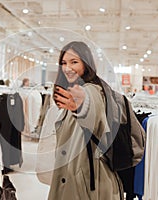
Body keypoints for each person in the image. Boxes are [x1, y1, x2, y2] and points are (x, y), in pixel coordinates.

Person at [48, 41, 123, 200]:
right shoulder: (73, 92)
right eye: (64, 63)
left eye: (74, 62)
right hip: (76, 177)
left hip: (89, 183)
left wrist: (82, 108)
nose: (67, 68)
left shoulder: (92, 90)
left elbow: (94, 114)